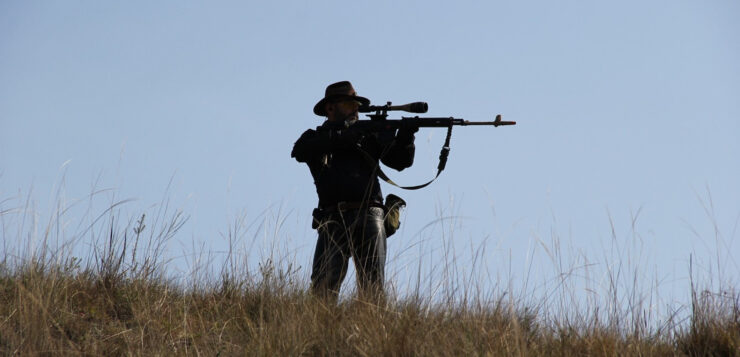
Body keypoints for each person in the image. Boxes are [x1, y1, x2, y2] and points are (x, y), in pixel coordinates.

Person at [291, 81, 417, 301]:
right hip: (332, 216)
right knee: (323, 288)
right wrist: (342, 138)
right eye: (350, 103)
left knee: (373, 287)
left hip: (370, 214)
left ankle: (374, 331)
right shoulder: (316, 137)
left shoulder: (368, 135)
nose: (356, 108)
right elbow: (300, 151)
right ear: (331, 108)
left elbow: (399, 162)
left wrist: (406, 138)